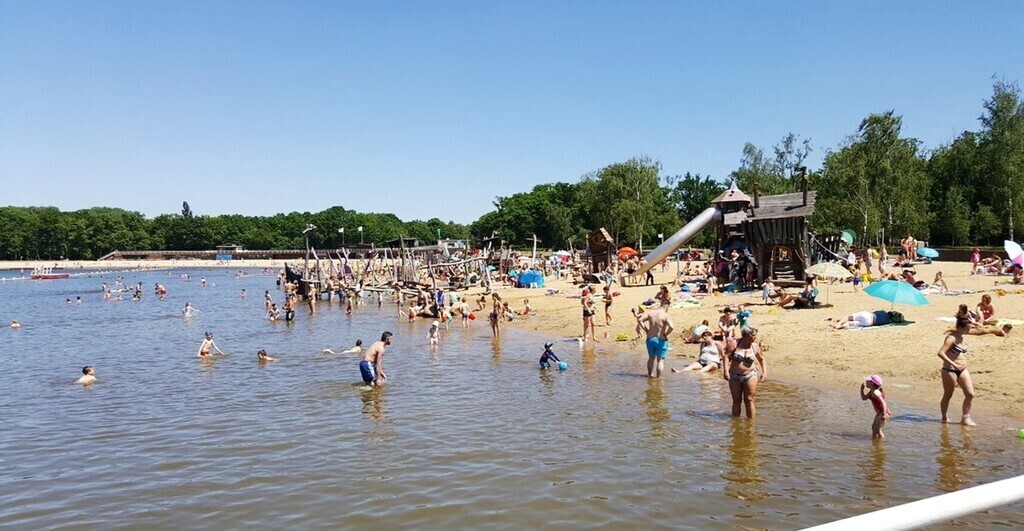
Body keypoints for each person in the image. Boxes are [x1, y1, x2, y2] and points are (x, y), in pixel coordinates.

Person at [938, 317, 977, 425]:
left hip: (963, 369)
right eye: (967, 329)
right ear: (960, 327)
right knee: (948, 394)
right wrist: (954, 364)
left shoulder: (962, 336)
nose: (969, 331)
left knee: (970, 394)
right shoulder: (951, 338)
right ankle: (944, 417)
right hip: (949, 369)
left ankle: (965, 418)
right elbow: (941, 353)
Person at [724, 326, 767, 418]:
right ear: (746, 335)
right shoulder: (734, 344)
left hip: (750, 375)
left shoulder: (755, 346)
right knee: (736, 400)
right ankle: (735, 424)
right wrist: (726, 371)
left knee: (749, 399)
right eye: (753, 335)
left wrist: (764, 373)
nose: (755, 337)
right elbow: (726, 357)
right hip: (734, 375)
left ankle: (750, 425)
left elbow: (762, 359)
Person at [637, 300, 674, 378]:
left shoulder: (651, 313)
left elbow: (640, 320)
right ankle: (658, 378)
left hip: (650, 339)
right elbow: (671, 327)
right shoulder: (665, 315)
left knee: (651, 358)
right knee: (660, 360)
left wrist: (647, 330)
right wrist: (666, 334)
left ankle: (650, 375)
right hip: (660, 339)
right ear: (667, 306)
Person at [860, 375, 891, 439]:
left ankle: (881, 445)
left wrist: (884, 413)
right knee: (874, 428)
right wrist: (861, 390)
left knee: (878, 430)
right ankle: (875, 442)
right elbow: (864, 398)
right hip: (879, 413)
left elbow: (883, 402)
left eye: (867, 381)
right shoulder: (871, 391)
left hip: (883, 413)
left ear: (871, 384)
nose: (866, 382)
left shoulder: (876, 392)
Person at [830, 310, 903, 330]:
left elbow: (875, 312)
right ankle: (840, 326)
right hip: (869, 322)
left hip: (868, 314)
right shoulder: (887, 322)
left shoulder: (883, 312)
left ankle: (839, 323)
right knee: (849, 323)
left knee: (848, 317)